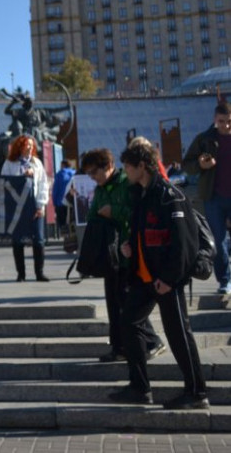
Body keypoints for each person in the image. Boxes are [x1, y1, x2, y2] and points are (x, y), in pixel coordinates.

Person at [109, 142, 208, 409]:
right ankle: (140, 387)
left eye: (128, 166)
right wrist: (129, 247)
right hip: (145, 276)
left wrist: (171, 278)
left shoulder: (169, 196)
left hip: (167, 280)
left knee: (178, 333)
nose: (125, 171)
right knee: (129, 322)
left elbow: (184, 243)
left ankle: (197, 393)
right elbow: (143, 232)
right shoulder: (139, 194)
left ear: (142, 166)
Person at [80, 149, 165, 363]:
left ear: (107, 166)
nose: (93, 178)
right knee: (113, 301)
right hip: (110, 256)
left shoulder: (127, 184)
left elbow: (137, 213)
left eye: (94, 172)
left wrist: (114, 211)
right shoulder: (100, 189)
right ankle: (118, 347)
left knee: (130, 303)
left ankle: (152, 340)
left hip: (128, 253)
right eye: (89, 174)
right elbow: (93, 215)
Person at [182, 101, 231, 294]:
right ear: (214, 120)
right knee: (217, 241)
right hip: (214, 196)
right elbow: (187, 164)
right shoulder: (204, 139)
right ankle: (225, 281)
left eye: (229, 121)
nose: (226, 126)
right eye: (222, 121)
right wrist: (201, 166)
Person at [0, 134, 50, 281]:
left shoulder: (37, 163)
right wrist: (23, 176)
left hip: (34, 204)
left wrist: (41, 205)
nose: (30, 147)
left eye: (31, 145)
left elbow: (43, 185)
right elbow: (4, 183)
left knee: (39, 240)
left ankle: (39, 273)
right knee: (17, 240)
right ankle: (21, 274)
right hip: (17, 207)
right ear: (19, 147)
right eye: (26, 145)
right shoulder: (9, 164)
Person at [52, 159, 75, 238]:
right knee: (71, 222)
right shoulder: (75, 173)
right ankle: (72, 237)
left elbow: (55, 189)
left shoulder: (60, 174)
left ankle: (66, 239)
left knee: (62, 224)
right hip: (72, 202)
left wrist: (54, 202)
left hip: (60, 202)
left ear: (63, 165)